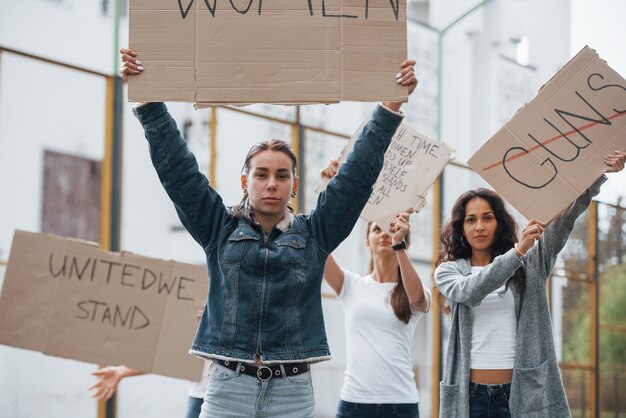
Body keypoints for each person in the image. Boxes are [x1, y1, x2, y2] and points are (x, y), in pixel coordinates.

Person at [120, 48, 418, 417]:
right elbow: (179, 172)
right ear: (245, 181)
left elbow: (355, 179)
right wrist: (149, 103)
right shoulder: (219, 228)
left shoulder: (314, 234)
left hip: (292, 393)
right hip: (228, 387)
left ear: (294, 185)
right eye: (261, 174)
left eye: (282, 176)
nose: (271, 183)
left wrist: (388, 108)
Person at [435, 151, 626, 418]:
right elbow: (471, 291)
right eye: (471, 219)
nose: (479, 226)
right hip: (470, 397)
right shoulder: (449, 272)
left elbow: (563, 221)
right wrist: (516, 252)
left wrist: (598, 175)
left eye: (487, 217)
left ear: (499, 223)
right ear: (461, 228)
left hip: (520, 393)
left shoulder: (530, 263)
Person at [320, 161, 431, 418]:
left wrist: (398, 246)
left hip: (401, 404)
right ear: (366, 241)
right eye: (376, 229)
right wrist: (330, 190)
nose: (384, 234)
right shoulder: (351, 285)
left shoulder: (416, 289)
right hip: (354, 403)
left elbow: (418, 299)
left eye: (390, 230)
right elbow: (318, 246)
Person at [88, 309, 209, 418]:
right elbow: (169, 356)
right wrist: (122, 371)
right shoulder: (198, 310)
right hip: (198, 397)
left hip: (223, 400)